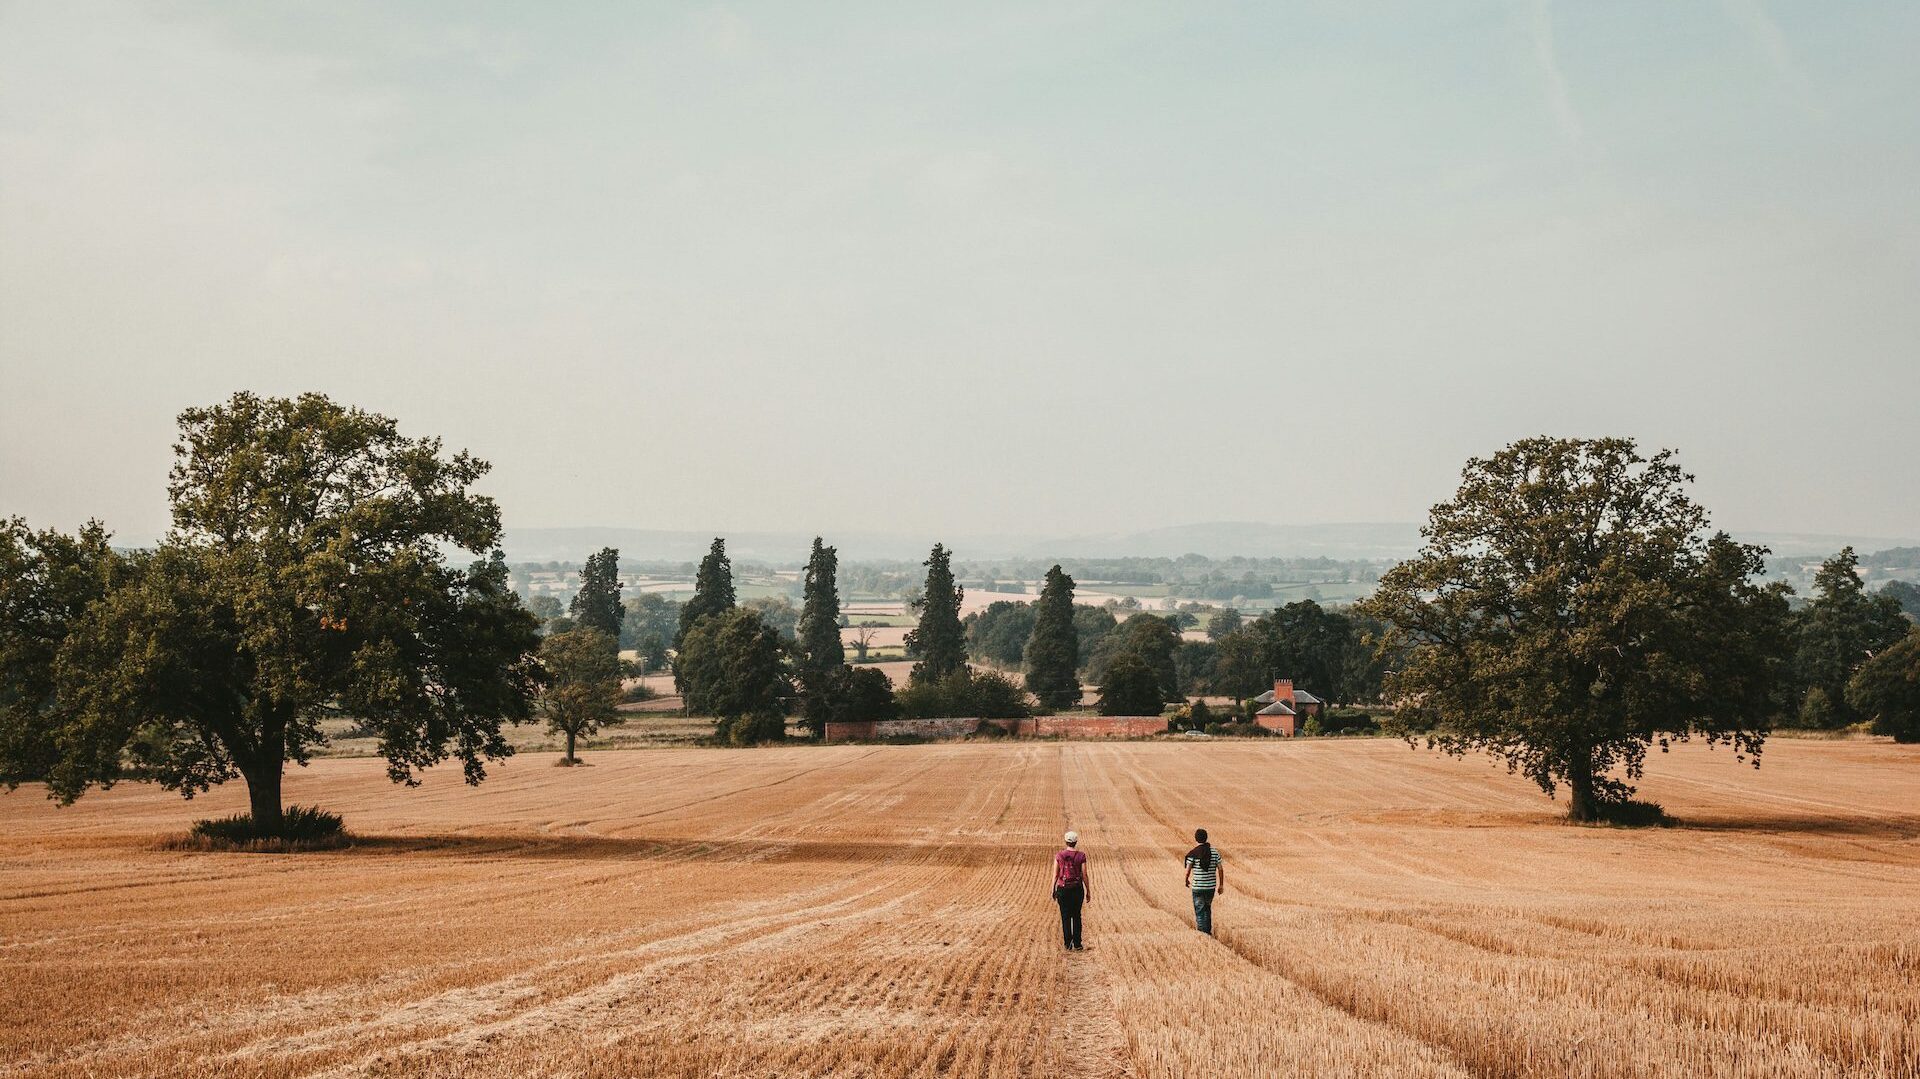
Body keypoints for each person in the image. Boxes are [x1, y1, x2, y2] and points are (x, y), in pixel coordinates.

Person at [1052, 830, 1090, 950]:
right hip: (1077, 889)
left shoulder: (1059, 856)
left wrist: (1052, 889)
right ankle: (1078, 944)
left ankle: (1067, 944)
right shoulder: (1081, 856)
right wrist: (1088, 890)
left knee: (1065, 916)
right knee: (1076, 916)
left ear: (1066, 841)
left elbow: (1055, 874)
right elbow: (1084, 874)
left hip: (1063, 889)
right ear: (1076, 842)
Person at [1183, 828, 1224, 935]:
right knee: (1207, 909)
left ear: (1196, 839)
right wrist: (1221, 885)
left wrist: (1186, 880)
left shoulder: (1193, 853)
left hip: (1198, 887)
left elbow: (1188, 870)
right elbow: (1220, 869)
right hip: (1210, 887)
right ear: (1206, 838)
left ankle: (1202, 935)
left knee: (1200, 911)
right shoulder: (1215, 852)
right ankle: (1208, 932)